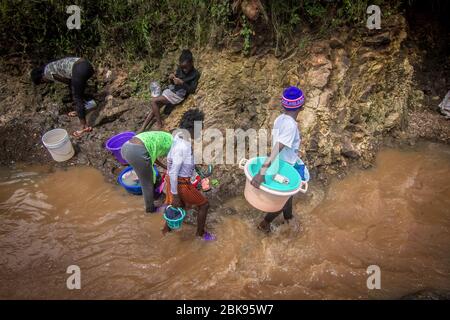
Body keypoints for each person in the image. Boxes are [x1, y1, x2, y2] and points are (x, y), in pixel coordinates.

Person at [251, 86, 307, 233]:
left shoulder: (280, 119)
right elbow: (277, 148)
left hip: (281, 163)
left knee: (287, 197)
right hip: (285, 167)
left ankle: (288, 218)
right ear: (302, 106)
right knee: (283, 199)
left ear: (283, 105)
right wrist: (262, 172)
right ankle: (265, 223)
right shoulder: (291, 126)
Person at [163, 109, 215, 241]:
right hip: (180, 183)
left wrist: (193, 164)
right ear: (192, 127)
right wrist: (175, 195)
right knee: (204, 205)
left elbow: (173, 163)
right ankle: (200, 234)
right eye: (200, 128)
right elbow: (175, 171)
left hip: (171, 179)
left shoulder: (177, 137)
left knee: (176, 206)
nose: (201, 131)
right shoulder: (183, 146)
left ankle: (166, 231)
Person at [30, 57, 95, 138]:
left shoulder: (47, 72)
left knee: (77, 97)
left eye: (43, 81)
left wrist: (78, 105)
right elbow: (72, 82)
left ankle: (84, 126)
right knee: (78, 90)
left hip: (78, 69)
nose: (45, 82)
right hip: (87, 65)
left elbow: (68, 81)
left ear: (41, 77)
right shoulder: (51, 65)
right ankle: (89, 105)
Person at [139, 49, 200, 131]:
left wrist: (182, 83)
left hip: (177, 95)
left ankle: (159, 123)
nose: (184, 69)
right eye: (182, 67)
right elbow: (173, 83)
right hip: (171, 90)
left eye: (186, 67)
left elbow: (192, 90)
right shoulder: (180, 69)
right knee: (155, 107)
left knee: (154, 101)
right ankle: (143, 127)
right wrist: (171, 78)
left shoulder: (195, 74)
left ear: (191, 63)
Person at [121, 131, 173, 213]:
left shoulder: (164, 137)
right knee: (147, 184)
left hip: (126, 148)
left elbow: (153, 154)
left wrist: (164, 167)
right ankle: (150, 209)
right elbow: (173, 164)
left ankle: (154, 195)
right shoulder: (174, 146)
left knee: (147, 173)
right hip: (137, 152)